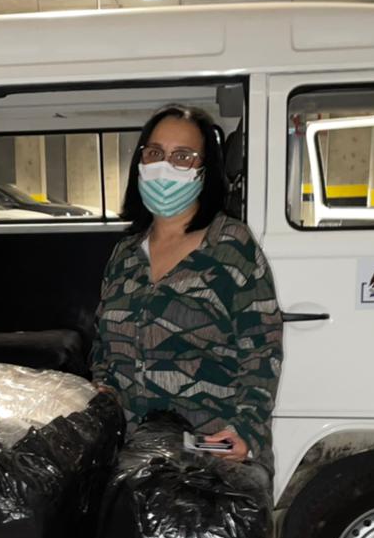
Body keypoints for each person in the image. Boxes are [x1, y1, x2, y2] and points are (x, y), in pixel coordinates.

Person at [92, 104, 283, 468]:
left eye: (183, 156)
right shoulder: (125, 254)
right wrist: (104, 392)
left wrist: (245, 430)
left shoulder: (231, 246)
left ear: (204, 170)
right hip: (134, 454)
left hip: (208, 451)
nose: (165, 166)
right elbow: (103, 346)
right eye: (155, 153)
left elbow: (262, 350)